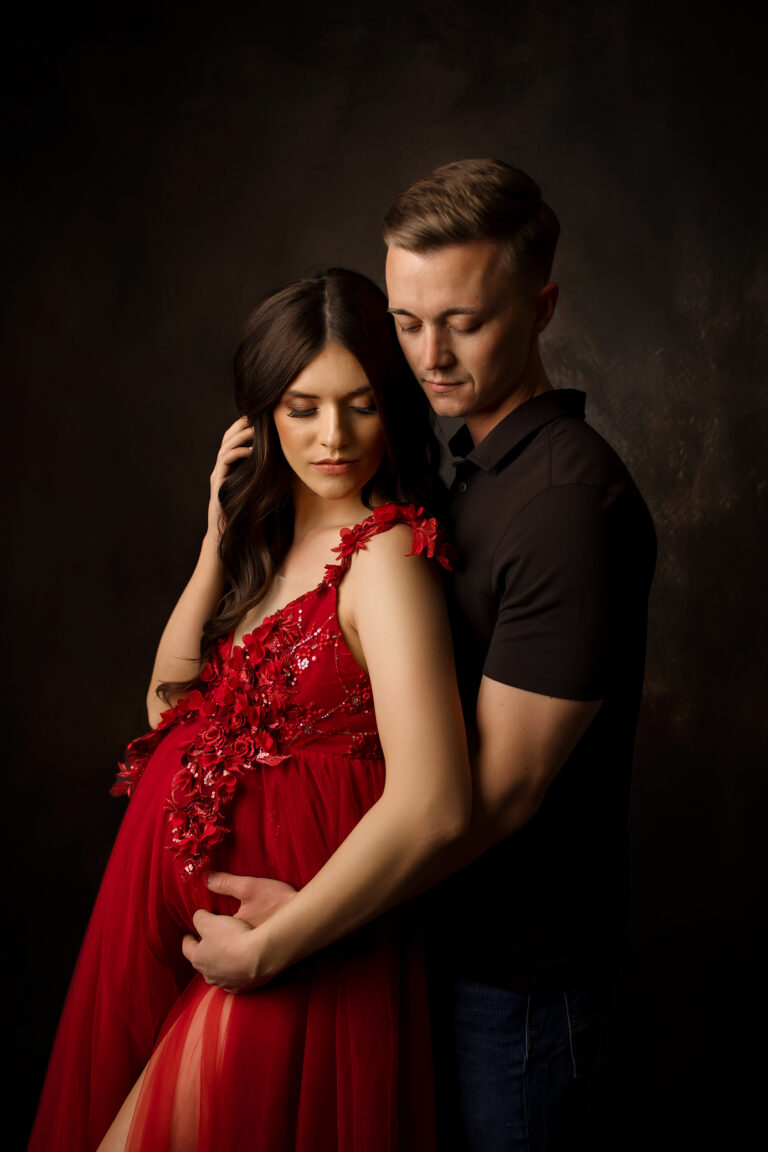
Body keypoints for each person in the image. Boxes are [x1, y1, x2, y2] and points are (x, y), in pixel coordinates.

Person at [187, 161, 656, 1152]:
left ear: (541, 309)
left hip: (513, 985)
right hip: (414, 940)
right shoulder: (468, 474)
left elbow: (495, 793)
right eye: (407, 322)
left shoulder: (567, 504)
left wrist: (291, 932)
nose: (430, 356)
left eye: (465, 322)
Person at [28, 268, 470, 1152]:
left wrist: (269, 949)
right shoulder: (271, 542)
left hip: (297, 949)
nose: (334, 437)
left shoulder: (386, 558)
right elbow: (168, 710)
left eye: (361, 405)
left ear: (394, 406)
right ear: (264, 414)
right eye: (303, 408)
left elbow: (436, 803)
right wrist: (215, 546)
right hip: (211, 949)